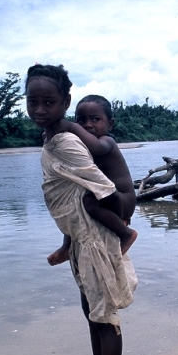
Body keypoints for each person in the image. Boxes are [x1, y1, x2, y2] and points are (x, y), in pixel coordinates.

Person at [26, 63, 137, 355]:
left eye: (48, 102)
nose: (40, 109)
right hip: (81, 239)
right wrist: (67, 242)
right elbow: (73, 197)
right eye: (33, 101)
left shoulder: (70, 140)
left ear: (64, 102)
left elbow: (102, 190)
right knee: (92, 311)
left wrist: (119, 228)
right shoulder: (52, 138)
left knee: (104, 317)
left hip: (96, 240)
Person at [46, 95, 137, 264]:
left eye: (95, 119)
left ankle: (126, 234)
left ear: (110, 124)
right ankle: (67, 245)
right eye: (81, 120)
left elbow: (97, 147)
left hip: (122, 199)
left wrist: (72, 127)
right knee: (74, 204)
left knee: (88, 202)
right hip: (106, 197)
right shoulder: (81, 147)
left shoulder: (107, 142)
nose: (88, 125)